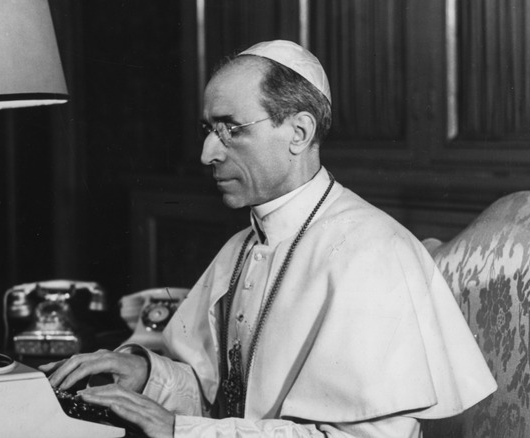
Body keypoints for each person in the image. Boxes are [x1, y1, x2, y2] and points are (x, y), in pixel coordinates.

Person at [39, 40, 497, 438]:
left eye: (231, 129)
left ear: (299, 132)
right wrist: (147, 373)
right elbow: (222, 394)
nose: (208, 153)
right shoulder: (242, 246)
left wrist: (179, 430)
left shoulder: (372, 253)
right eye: (208, 130)